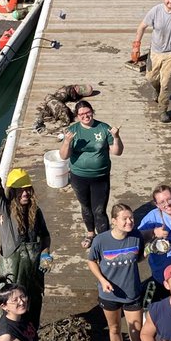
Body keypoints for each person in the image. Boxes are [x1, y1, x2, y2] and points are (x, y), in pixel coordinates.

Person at [87, 203, 150, 341]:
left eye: (131, 218)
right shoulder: (101, 240)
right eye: (125, 218)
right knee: (114, 329)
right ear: (114, 221)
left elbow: (138, 257)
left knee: (137, 335)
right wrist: (102, 280)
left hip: (132, 294)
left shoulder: (136, 236)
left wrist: (151, 247)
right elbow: (91, 261)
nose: (130, 221)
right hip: (109, 294)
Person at [0, 143, 51, 328]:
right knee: (9, 317)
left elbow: (45, 236)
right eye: (20, 190)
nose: (25, 193)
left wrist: (45, 253)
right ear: (12, 191)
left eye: (27, 189)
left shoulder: (35, 212)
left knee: (33, 309)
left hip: (33, 275)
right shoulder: (4, 209)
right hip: (12, 277)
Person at [58, 100, 122, 247]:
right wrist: (67, 142)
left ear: (92, 111)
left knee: (99, 210)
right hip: (78, 177)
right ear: (77, 116)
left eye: (88, 112)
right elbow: (63, 156)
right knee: (85, 207)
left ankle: (104, 238)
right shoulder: (72, 130)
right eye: (81, 114)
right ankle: (90, 234)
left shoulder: (103, 128)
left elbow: (117, 152)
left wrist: (116, 137)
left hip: (100, 176)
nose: (85, 116)